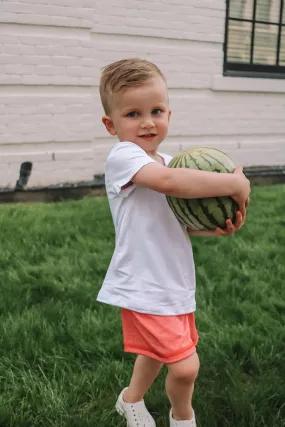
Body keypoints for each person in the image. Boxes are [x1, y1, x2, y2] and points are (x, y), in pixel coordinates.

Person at [96, 58, 250, 427]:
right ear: (111, 125)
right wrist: (233, 184)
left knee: (153, 352)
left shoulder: (167, 160)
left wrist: (211, 227)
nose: (148, 121)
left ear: (169, 112)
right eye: (133, 113)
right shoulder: (124, 156)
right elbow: (168, 184)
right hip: (144, 282)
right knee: (185, 366)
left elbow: (178, 219)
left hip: (174, 282)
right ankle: (183, 417)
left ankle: (130, 400)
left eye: (156, 110)